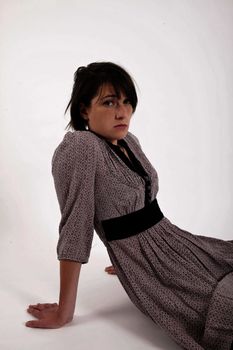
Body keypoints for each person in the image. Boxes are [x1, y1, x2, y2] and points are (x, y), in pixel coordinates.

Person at [25, 62, 233, 350]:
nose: (122, 112)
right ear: (85, 110)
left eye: (126, 102)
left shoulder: (128, 140)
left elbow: (138, 206)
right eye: (109, 103)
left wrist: (128, 253)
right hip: (158, 269)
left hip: (175, 242)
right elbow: (76, 226)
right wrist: (65, 311)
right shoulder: (81, 146)